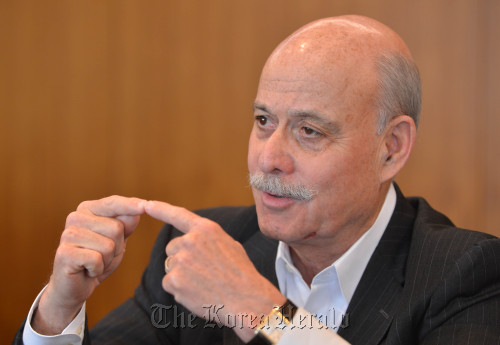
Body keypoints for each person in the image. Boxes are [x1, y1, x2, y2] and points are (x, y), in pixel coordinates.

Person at [14, 15, 500, 345]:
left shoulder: (466, 273)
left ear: (390, 148)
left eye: (309, 131)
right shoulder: (199, 248)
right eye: (264, 121)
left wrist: (260, 309)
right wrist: (59, 307)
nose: (268, 158)